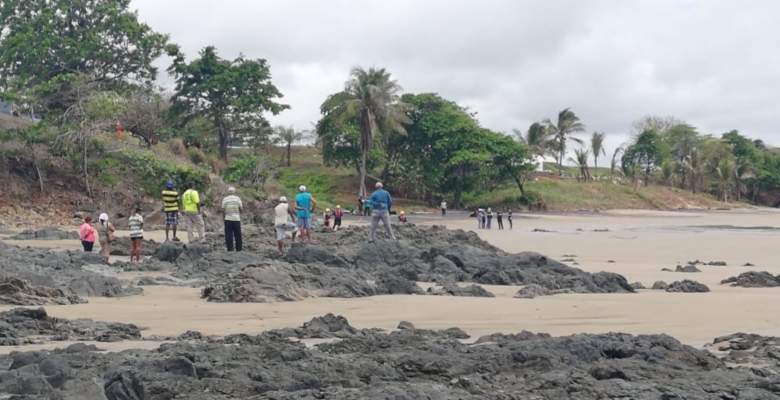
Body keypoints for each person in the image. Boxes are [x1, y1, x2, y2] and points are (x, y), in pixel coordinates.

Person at [221, 187, 243, 252]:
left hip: (228, 218)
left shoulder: (225, 199)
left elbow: (223, 209)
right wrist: (239, 212)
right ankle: (239, 249)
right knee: (238, 234)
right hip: (236, 219)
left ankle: (230, 249)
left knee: (228, 235)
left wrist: (224, 217)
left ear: (228, 192)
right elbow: (241, 208)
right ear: (234, 192)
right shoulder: (237, 199)